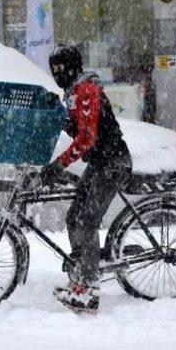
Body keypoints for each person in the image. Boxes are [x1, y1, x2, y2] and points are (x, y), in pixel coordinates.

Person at [40, 44, 132, 313]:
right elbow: (79, 131)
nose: (58, 72)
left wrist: (59, 164)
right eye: (53, 68)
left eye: (62, 67)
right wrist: (59, 116)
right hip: (100, 164)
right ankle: (82, 271)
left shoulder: (87, 90)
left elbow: (87, 139)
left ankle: (89, 288)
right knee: (73, 217)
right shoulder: (74, 92)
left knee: (87, 220)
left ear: (74, 67)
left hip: (113, 164)